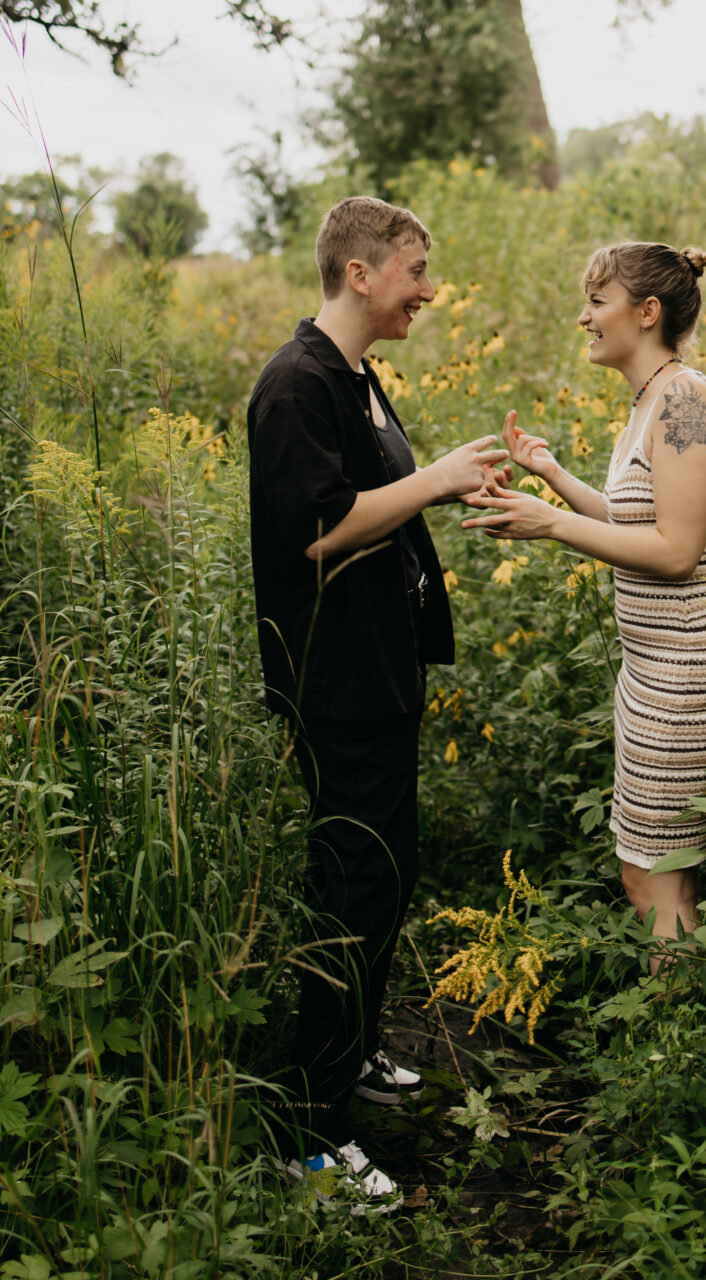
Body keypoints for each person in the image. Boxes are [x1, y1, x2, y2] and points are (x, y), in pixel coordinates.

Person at [247, 195, 505, 1210]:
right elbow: (314, 535)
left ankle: (349, 1057)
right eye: (414, 270)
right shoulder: (294, 385)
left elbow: (379, 503)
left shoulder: (357, 376)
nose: (426, 291)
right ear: (359, 272)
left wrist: (458, 481)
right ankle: (306, 1136)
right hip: (335, 685)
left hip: (381, 674)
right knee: (349, 894)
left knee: (383, 878)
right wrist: (434, 480)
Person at [463, 240, 706, 970]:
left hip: (686, 665)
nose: (581, 316)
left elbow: (677, 552)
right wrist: (550, 480)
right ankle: (676, 1032)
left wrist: (550, 524)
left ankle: (672, 1050)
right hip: (652, 665)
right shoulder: (653, 398)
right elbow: (637, 526)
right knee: (657, 866)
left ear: (646, 312)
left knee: (650, 872)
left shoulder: (685, 400)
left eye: (596, 300)